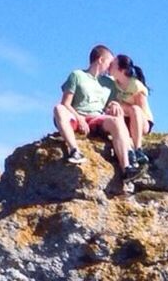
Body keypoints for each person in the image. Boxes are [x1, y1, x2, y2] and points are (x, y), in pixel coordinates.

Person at [53, 44, 138, 181]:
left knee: (116, 121)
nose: (110, 67)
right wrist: (79, 118)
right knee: (58, 109)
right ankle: (74, 151)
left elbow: (111, 104)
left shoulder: (109, 83)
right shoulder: (77, 75)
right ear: (100, 60)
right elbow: (65, 103)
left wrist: (115, 104)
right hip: (76, 116)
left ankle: (126, 168)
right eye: (109, 63)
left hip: (96, 118)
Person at [110, 53, 154, 166]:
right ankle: (128, 151)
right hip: (124, 122)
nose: (110, 66)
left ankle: (138, 149)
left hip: (141, 122)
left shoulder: (136, 86)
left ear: (121, 69)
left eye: (113, 64)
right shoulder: (113, 84)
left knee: (134, 109)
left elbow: (141, 111)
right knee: (116, 111)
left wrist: (123, 106)